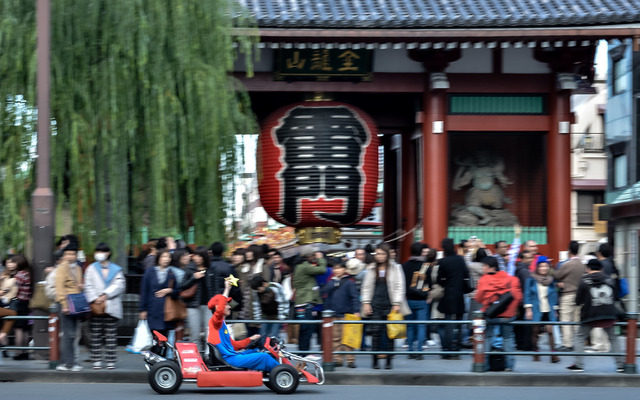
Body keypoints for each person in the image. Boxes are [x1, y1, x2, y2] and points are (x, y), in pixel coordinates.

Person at [207, 279, 279, 372]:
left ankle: (277, 371)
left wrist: (250, 339)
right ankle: (283, 372)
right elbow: (220, 310)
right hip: (230, 359)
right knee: (263, 356)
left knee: (256, 351)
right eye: (226, 304)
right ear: (218, 307)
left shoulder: (221, 324)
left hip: (232, 356)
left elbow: (234, 345)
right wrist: (227, 289)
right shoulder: (214, 322)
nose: (229, 307)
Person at [566, 259, 624, 373]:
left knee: (579, 337)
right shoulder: (610, 280)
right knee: (613, 338)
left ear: (588, 268)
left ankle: (579, 365)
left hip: (590, 314)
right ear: (601, 269)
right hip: (609, 313)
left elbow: (578, 301)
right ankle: (620, 365)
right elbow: (616, 297)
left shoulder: (584, 281)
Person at [361, 243, 410, 369]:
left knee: (390, 333)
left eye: (382, 253)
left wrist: (397, 303)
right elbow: (366, 286)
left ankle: (389, 361)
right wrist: (366, 302)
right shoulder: (371, 268)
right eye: (377, 253)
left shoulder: (396, 267)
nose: (379, 256)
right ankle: (375, 361)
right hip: (375, 304)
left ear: (387, 255)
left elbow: (400, 285)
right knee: (376, 332)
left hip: (391, 304)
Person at [475, 256, 523, 371]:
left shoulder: (484, 279)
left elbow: (478, 297)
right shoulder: (510, 278)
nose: (482, 268)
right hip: (507, 316)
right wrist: (511, 309)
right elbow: (518, 296)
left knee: (487, 337)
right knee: (508, 338)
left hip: (490, 314)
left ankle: (484, 365)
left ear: (491, 267)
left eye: (484, 266)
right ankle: (509, 366)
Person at [83, 243, 126, 369]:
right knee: (96, 334)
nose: (99, 254)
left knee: (110, 335)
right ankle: (96, 360)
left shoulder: (116, 269)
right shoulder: (91, 268)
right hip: (96, 306)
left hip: (110, 305)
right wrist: (95, 298)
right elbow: (88, 285)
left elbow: (120, 285)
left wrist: (105, 295)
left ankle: (110, 360)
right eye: (98, 251)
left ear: (108, 253)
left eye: (102, 251)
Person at [139, 249, 180, 351]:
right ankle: (154, 360)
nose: (166, 259)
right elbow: (144, 290)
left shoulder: (171, 273)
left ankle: (162, 361)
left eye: (168, 257)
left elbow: (177, 291)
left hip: (166, 310)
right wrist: (143, 309)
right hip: (152, 309)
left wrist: (169, 290)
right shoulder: (150, 272)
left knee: (164, 338)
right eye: (164, 257)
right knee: (154, 337)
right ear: (158, 258)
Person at [436, 238, 469, 359]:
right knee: (460, 322)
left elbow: (439, 280)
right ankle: (458, 346)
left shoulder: (443, 262)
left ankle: (449, 349)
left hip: (448, 294)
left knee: (448, 322)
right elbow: (466, 274)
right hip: (460, 293)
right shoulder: (460, 259)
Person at [323, 262, 360, 368]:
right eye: (335, 268)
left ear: (344, 269)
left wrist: (356, 310)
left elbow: (354, 297)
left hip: (347, 314)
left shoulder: (349, 282)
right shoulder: (331, 281)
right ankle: (338, 359)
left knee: (348, 338)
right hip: (333, 314)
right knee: (335, 338)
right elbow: (326, 292)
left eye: (339, 268)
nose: (336, 270)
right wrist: (333, 282)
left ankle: (350, 360)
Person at [55, 244, 85, 372]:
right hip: (66, 304)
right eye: (67, 254)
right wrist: (64, 304)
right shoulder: (61, 268)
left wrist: (80, 286)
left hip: (76, 303)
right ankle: (67, 363)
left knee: (73, 335)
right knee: (68, 334)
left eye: (72, 254)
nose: (70, 257)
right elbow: (59, 287)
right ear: (64, 256)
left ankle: (69, 362)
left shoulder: (78, 268)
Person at [523, 260, 560, 363]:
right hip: (536, 309)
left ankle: (553, 354)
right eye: (541, 266)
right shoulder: (531, 279)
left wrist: (556, 309)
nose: (544, 268)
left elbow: (554, 295)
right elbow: (527, 294)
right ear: (537, 268)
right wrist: (528, 309)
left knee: (550, 331)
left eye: (546, 266)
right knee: (535, 332)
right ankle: (536, 352)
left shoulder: (551, 280)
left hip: (548, 309)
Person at [292, 248, 328, 354]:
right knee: (307, 329)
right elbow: (322, 269)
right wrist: (320, 258)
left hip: (300, 301)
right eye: (313, 255)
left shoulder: (299, 266)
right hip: (306, 301)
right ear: (308, 256)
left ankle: (302, 351)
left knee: (303, 328)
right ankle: (304, 352)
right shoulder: (305, 266)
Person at [180, 246, 215, 353]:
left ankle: (209, 356)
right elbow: (182, 286)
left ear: (204, 257)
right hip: (193, 306)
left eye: (199, 256)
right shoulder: (190, 269)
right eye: (196, 255)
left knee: (209, 332)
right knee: (194, 333)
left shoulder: (210, 269)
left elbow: (215, 288)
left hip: (208, 306)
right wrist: (193, 277)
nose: (196, 258)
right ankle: (197, 357)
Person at [554, 241, 585, 352]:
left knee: (566, 319)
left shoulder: (567, 264)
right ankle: (577, 343)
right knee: (577, 320)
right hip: (580, 295)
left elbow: (557, 275)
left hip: (568, 294)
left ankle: (567, 344)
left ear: (569, 251)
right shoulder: (582, 265)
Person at [402, 242, 428, 359]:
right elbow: (429, 283)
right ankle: (419, 351)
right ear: (421, 252)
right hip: (422, 299)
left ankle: (411, 350)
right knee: (421, 326)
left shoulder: (404, 266)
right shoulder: (425, 266)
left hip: (409, 299)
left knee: (410, 326)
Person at [250, 275, 288, 343]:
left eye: (259, 289)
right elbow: (256, 305)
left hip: (277, 317)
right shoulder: (256, 292)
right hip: (264, 317)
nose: (258, 291)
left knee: (274, 337)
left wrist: (282, 316)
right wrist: (257, 320)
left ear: (264, 284)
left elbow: (283, 301)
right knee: (262, 337)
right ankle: (265, 352)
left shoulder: (276, 287)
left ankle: (274, 353)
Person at [0, 257, 19, 352]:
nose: (10, 264)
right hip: (4, 302)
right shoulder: (4, 274)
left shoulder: (7, 274)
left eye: (12, 262)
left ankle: (3, 336)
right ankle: (3, 335)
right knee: (12, 313)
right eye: (8, 262)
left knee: (11, 314)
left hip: (5, 302)